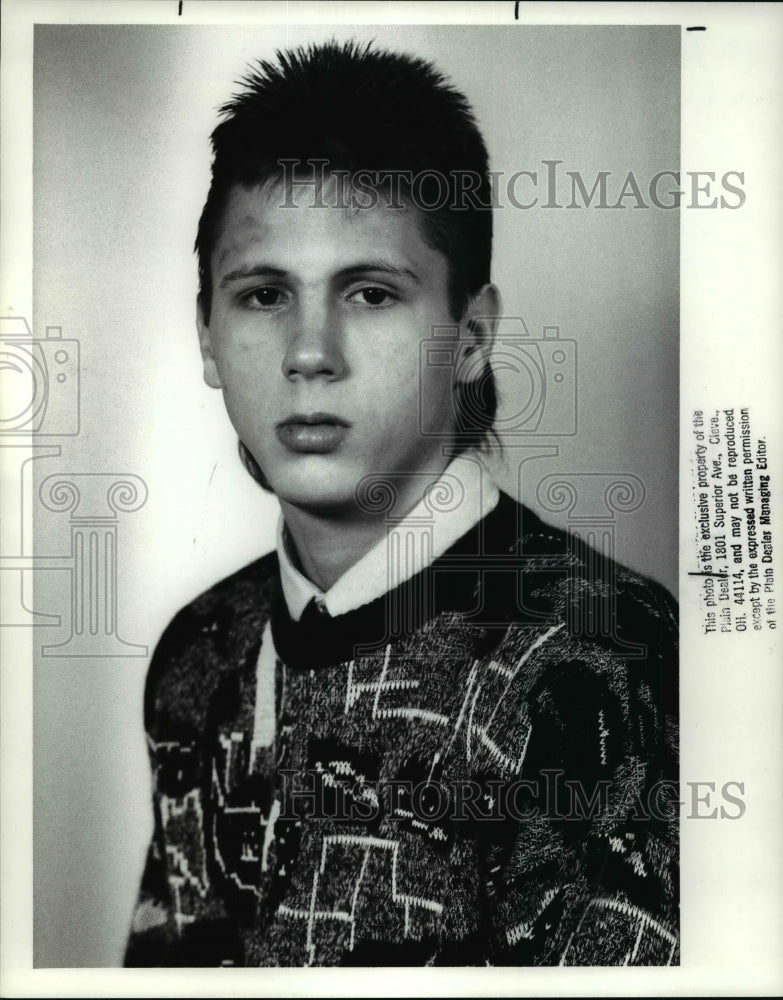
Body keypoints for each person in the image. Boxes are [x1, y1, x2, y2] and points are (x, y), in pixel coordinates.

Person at [125, 40, 679, 967]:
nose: (310, 353)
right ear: (208, 337)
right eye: (263, 295)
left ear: (469, 336)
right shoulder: (200, 655)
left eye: (371, 293)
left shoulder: (598, 661)